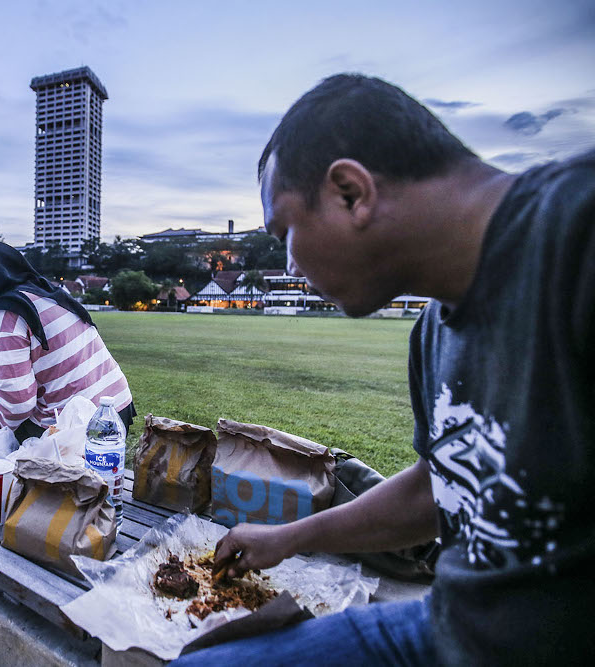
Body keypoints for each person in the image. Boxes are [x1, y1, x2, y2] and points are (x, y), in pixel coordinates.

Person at [172, 74, 594, 666]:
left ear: (351, 192)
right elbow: (437, 486)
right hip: (454, 628)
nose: (290, 261)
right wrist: (287, 539)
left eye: (286, 230)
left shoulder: (575, 228)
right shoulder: (434, 332)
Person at [0, 240, 135, 442]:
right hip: (117, 407)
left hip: (82, 426)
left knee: (9, 447)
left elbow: (18, 402)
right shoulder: (38, 292)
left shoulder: (6, 314)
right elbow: (11, 384)